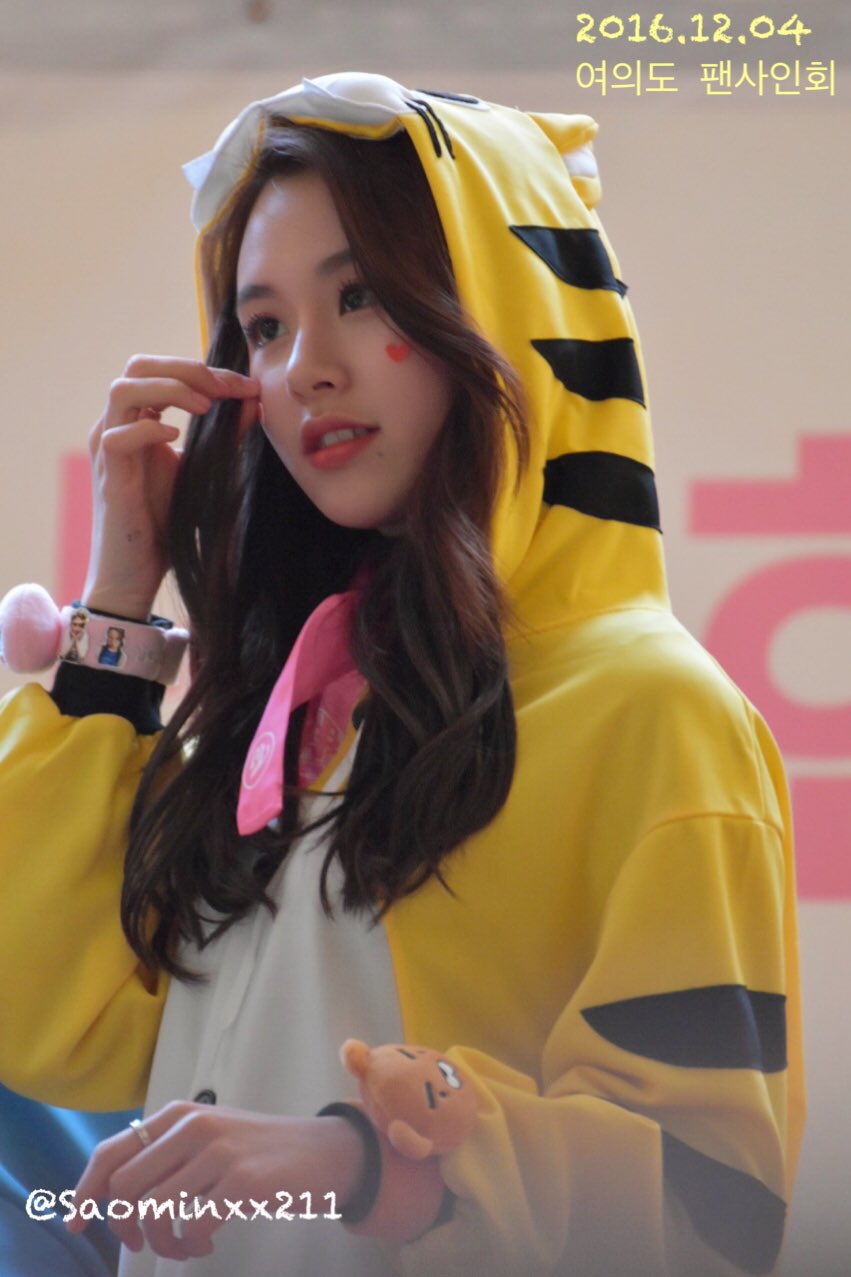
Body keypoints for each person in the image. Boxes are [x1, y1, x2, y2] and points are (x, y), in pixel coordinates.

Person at [0, 72, 804, 1277]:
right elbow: (51, 1019)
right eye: (263, 327)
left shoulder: (657, 709)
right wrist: (117, 608)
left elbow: (711, 1206)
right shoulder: (281, 712)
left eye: (359, 293)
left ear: (502, 310)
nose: (304, 368)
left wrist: (371, 1159)